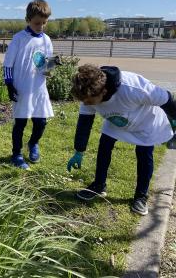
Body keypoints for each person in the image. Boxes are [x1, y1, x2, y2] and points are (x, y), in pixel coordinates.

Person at [67, 64, 176, 216]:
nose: (86, 104)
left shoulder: (133, 87)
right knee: (104, 145)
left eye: (90, 102)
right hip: (116, 121)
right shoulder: (89, 95)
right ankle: (99, 185)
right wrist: (79, 150)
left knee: (144, 154)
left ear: (103, 91)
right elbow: (85, 123)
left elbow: (167, 99)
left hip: (145, 121)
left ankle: (140, 196)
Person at [3, 0, 54, 169]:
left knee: (41, 122)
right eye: (37, 23)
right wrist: (9, 85)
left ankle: (33, 143)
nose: (40, 26)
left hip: (39, 88)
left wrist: (52, 66)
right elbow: (8, 64)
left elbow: (45, 67)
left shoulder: (47, 40)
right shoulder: (19, 38)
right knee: (21, 123)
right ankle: (16, 154)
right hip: (22, 88)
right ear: (28, 20)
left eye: (44, 23)